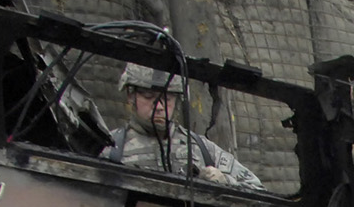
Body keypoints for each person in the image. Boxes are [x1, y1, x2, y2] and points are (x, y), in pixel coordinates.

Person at [105, 64, 263, 189]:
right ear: (131, 97)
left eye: (167, 99)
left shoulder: (201, 149)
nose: (159, 106)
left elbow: (256, 187)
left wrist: (226, 182)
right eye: (149, 97)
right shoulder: (110, 148)